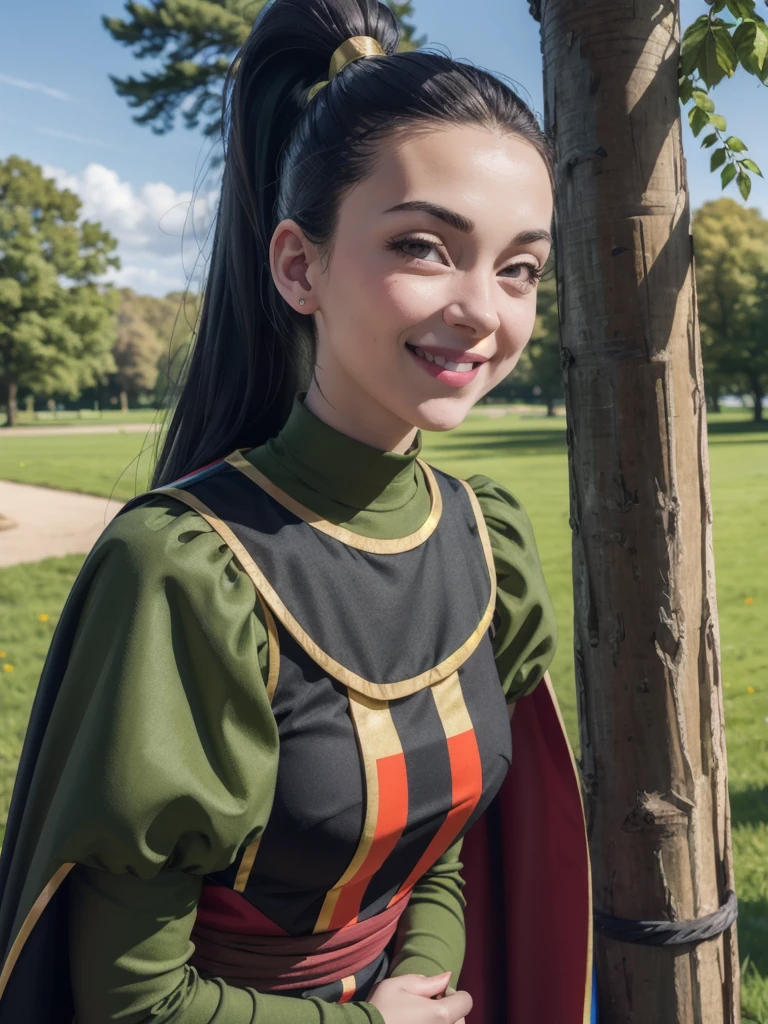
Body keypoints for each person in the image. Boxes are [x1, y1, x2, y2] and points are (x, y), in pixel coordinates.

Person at [0, 1, 594, 1021]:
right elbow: (130, 1000)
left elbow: (441, 842)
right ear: (298, 265)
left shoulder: (484, 535)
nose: (483, 310)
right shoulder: (187, 571)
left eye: (520, 268)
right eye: (423, 247)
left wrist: (418, 970)